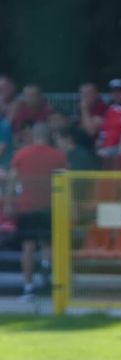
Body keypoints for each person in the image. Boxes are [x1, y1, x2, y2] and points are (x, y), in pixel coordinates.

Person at [5, 123, 67, 301]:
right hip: (51, 206)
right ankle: (48, 273)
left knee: (28, 247)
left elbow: (11, 180)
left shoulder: (21, 154)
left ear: (33, 136)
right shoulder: (58, 155)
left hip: (27, 207)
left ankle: (28, 287)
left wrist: (9, 204)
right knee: (49, 244)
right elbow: (66, 179)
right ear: (50, 137)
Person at [99, 79, 121, 152]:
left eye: (119, 91)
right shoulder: (110, 110)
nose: (116, 94)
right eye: (113, 92)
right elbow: (104, 131)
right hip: (106, 148)